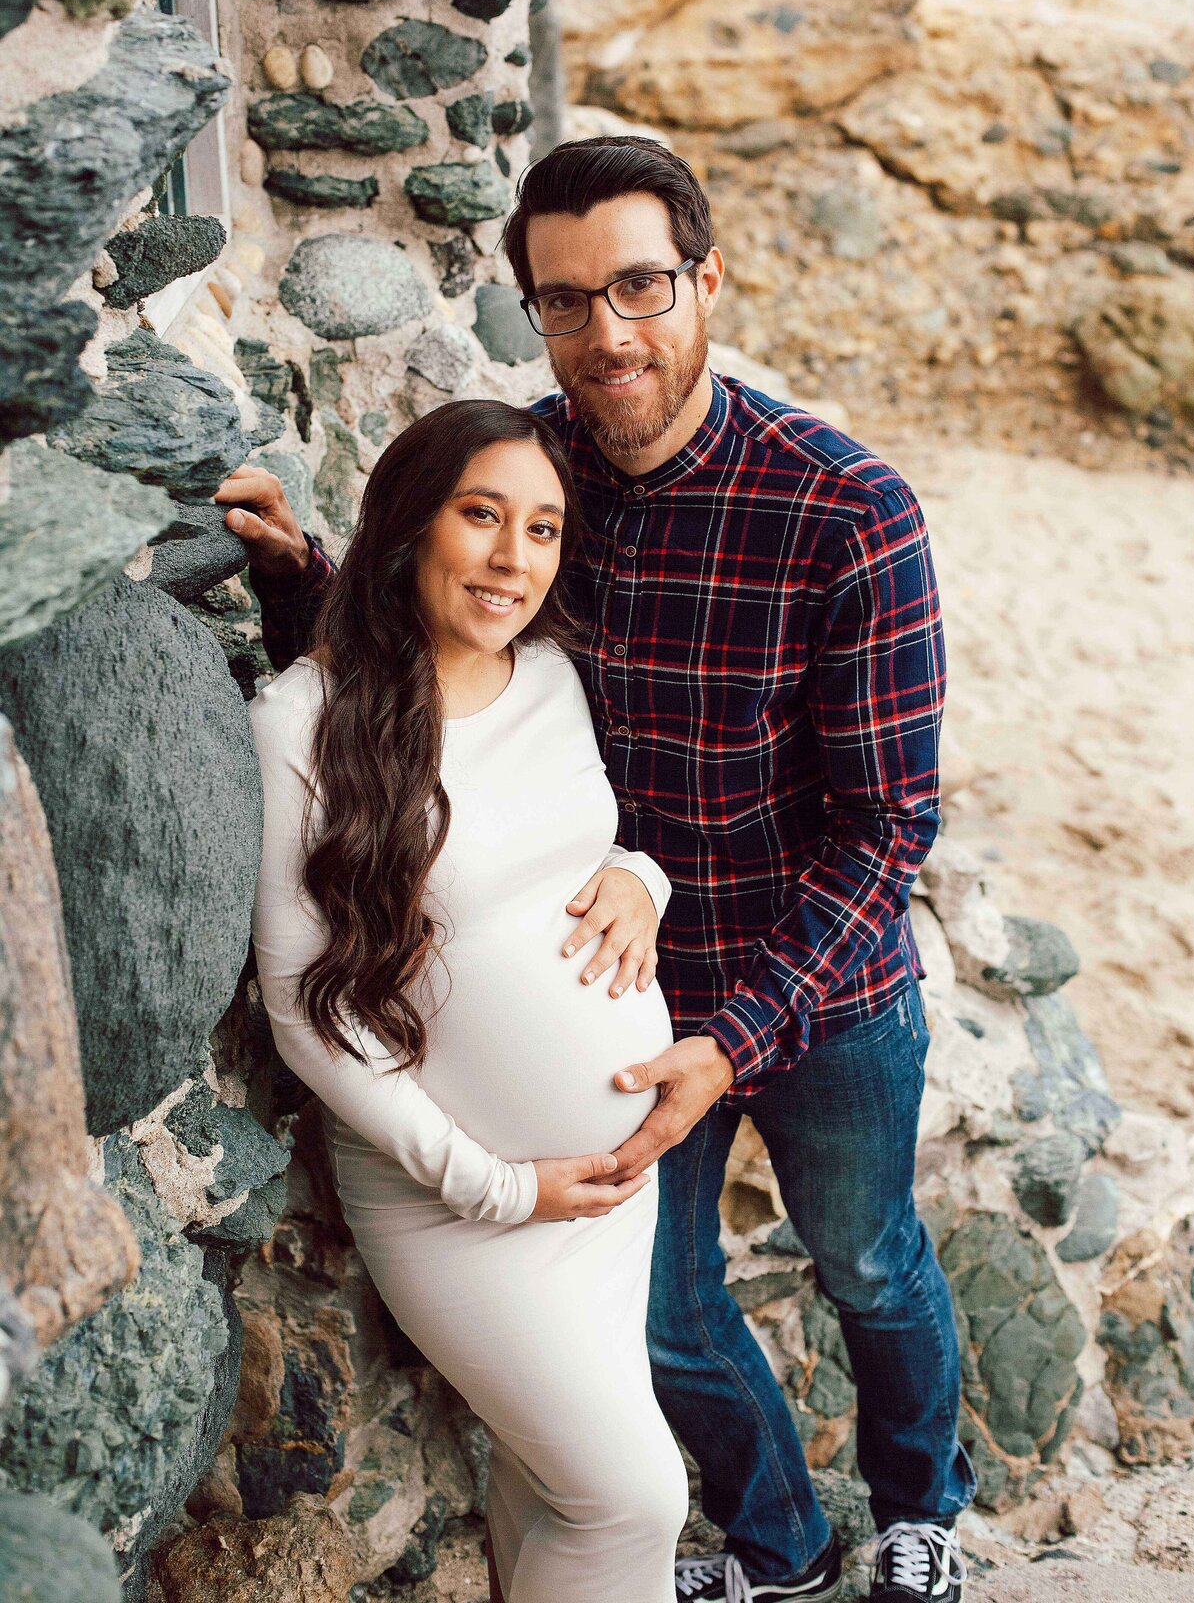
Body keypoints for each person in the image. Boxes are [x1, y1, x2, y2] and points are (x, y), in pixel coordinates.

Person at [221, 136, 976, 1603]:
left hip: (818, 991)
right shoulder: (544, 473)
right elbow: (452, 632)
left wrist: (739, 1039)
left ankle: (919, 1513)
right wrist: (301, 585)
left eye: (640, 287)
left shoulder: (845, 509)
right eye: (566, 302)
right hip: (630, 997)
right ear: (534, 313)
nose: (607, 333)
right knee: (676, 1314)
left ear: (706, 280)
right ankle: (781, 1549)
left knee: (871, 1261)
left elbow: (888, 831)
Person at [246, 398, 690, 1603]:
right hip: (462, 1207)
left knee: (556, 1491)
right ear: (409, 525)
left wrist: (642, 880)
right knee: (637, 1496)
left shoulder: (550, 674)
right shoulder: (301, 720)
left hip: (608, 1196)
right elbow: (302, 1009)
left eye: (542, 530)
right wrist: (496, 1185)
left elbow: (587, 844)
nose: (513, 560)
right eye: (481, 516)